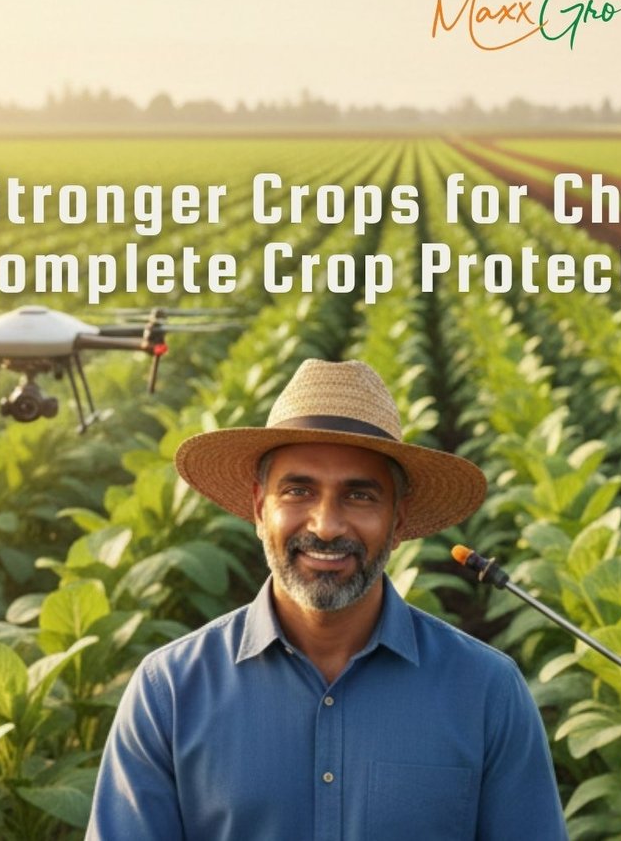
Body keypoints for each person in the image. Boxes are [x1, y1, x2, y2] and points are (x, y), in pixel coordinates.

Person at [88, 359, 568, 840]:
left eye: (359, 496)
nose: (326, 526)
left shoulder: (487, 693)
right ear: (259, 508)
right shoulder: (169, 693)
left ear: (398, 521)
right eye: (298, 490)